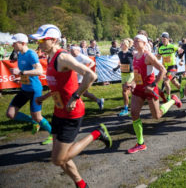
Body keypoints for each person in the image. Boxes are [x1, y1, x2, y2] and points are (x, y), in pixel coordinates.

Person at [31, 24, 112, 188]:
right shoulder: (49, 57)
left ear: (53, 40)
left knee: (58, 159)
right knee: (60, 157)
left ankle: (97, 133)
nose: (38, 43)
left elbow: (91, 75)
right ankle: (81, 185)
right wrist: (45, 97)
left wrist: (75, 96)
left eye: (41, 40)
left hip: (72, 113)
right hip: (58, 111)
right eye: (37, 40)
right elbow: (59, 86)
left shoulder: (63, 57)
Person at [128, 34, 182, 154]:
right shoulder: (135, 55)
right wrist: (132, 83)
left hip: (149, 89)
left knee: (156, 116)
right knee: (134, 113)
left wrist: (153, 85)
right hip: (139, 89)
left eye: (137, 41)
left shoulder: (148, 56)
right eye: (134, 41)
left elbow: (162, 69)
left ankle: (173, 99)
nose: (134, 43)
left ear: (143, 43)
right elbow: (137, 73)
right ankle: (140, 143)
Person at [5, 33, 53, 145]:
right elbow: (27, 73)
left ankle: (53, 134)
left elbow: (39, 71)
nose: (12, 45)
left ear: (22, 43)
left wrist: (21, 72)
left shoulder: (31, 54)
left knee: (37, 116)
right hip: (24, 88)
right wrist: (21, 79)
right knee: (10, 114)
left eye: (14, 42)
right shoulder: (20, 54)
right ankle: (34, 122)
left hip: (34, 90)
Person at [70, 46, 104, 110]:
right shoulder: (70, 56)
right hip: (73, 78)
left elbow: (92, 62)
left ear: (78, 50)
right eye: (71, 50)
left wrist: (86, 69)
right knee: (81, 93)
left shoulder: (81, 57)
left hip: (81, 79)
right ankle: (98, 101)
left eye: (73, 50)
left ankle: (98, 101)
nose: (71, 52)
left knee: (82, 93)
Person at [157, 32, 184, 100]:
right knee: (174, 82)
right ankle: (181, 89)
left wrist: (182, 60)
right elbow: (159, 58)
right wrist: (157, 56)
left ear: (168, 39)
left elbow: (182, 51)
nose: (163, 41)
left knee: (166, 81)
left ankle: (168, 97)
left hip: (173, 67)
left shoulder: (172, 46)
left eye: (164, 39)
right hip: (165, 68)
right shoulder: (161, 48)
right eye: (162, 39)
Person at [113, 39, 134, 116]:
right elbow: (121, 63)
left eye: (121, 44)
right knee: (126, 92)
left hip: (130, 74)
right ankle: (132, 106)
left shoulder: (131, 53)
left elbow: (136, 61)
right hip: (123, 74)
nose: (120, 45)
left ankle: (126, 109)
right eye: (121, 44)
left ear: (125, 45)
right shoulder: (120, 53)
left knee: (125, 92)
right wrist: (116, 68)